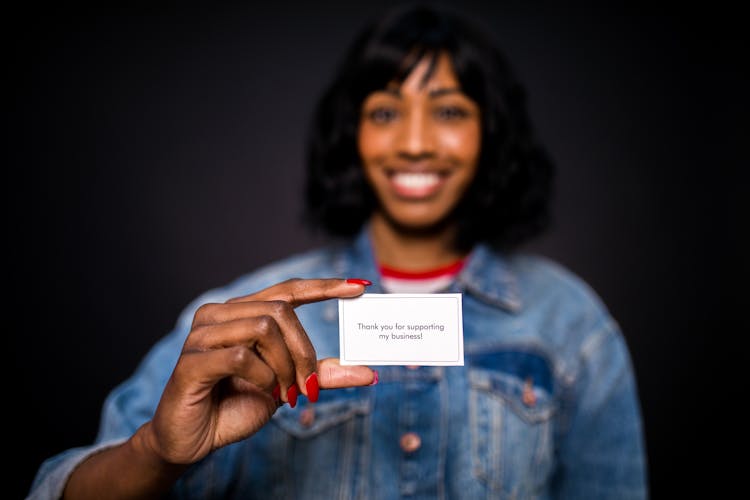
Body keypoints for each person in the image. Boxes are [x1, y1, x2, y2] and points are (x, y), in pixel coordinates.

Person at [28, 4, 648, 499]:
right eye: (384, 111)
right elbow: (56, 488)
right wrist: (155, 455)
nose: (413, 143)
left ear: (492, 134)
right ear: (351, 135)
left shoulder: (572, 326)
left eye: (449, 111)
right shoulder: (242, 317)